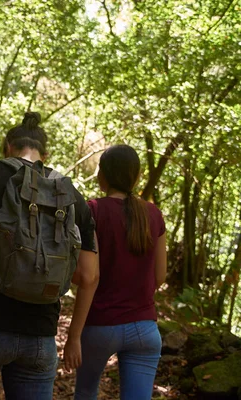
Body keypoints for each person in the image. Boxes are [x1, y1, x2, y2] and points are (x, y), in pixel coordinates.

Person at [0, 112, 99, 400]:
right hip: (40, 337)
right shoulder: (71, 196)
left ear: (6, 147)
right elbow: (88, 276)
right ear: (45, 153)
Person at [74, 144, 167, 400]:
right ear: (136, 176)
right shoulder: (154, 214)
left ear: (102, 175)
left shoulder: (92, 209)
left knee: (85, 392)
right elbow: (160, 277)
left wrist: (74, 335)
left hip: (100, 326)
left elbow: (86, 275)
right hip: (146, 330)